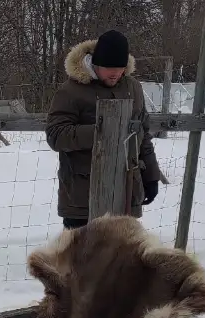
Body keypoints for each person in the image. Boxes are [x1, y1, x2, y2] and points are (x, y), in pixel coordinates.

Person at [45, 30, 162, 230]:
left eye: (121, 67)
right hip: (84, 193)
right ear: (95, 63)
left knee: (121, 253)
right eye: (109, 68)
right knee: (82, 255)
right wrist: (102, 132)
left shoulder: (133, 87)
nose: (116, 73)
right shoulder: (71, 91)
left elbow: (142, 135)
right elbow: (56, 135)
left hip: (125, 190)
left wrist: (151, 176)